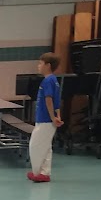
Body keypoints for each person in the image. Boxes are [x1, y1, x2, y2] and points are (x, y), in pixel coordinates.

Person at [28, 53, 63, 183]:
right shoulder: (54, 80)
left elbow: (49, 100)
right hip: (48, 119)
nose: (38, 66)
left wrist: (53, 117)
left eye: (40, 63)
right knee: (46, 146)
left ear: (48, 65)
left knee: (35, 145)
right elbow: (57, 101)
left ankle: (37, 172)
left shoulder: (48, 81)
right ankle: (44, 172)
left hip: (45, 119)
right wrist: (57, 115)